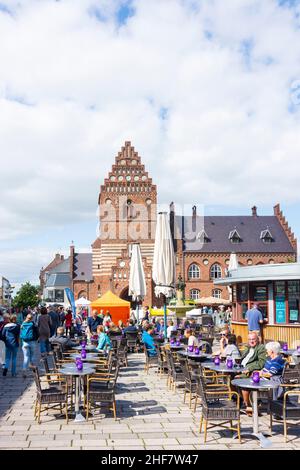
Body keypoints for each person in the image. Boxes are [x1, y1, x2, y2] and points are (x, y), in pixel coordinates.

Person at [236, 332, 267, 414]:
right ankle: (237, 399)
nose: (251, 341)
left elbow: (261, 363)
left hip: (251, 372)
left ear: (257, 339)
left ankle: (248, 405)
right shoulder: (248, 348)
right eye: (250, 339)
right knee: (229, 376)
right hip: (242, 368)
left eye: (253, 339)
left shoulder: (261, 348)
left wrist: (250, 368)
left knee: (240, 380)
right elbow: (242, 359)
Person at [20, 313, 38, 378]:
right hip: (32, 341)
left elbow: (21, 333)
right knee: (32, 356)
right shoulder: (33, 324)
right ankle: (33, 371)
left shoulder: (22, 324)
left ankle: (24, 371)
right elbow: (37, 331)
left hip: (25, 342)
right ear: (32, 318)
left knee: (26, 357)